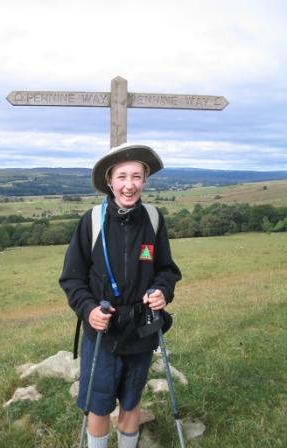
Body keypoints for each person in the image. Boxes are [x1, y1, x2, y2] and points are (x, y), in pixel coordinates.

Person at [59, 143, 181, 448]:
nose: (130, 185)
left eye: (137, 176)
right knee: (98, 405)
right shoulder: (92, 221)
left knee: (131, 400)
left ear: (145, 180)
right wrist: (88, 310)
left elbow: (166, 269)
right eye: (122, 177)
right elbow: (72, 278)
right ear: (110, 181)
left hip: (142, 326)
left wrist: (163, 291)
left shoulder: (153, 219)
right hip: (103, 329)